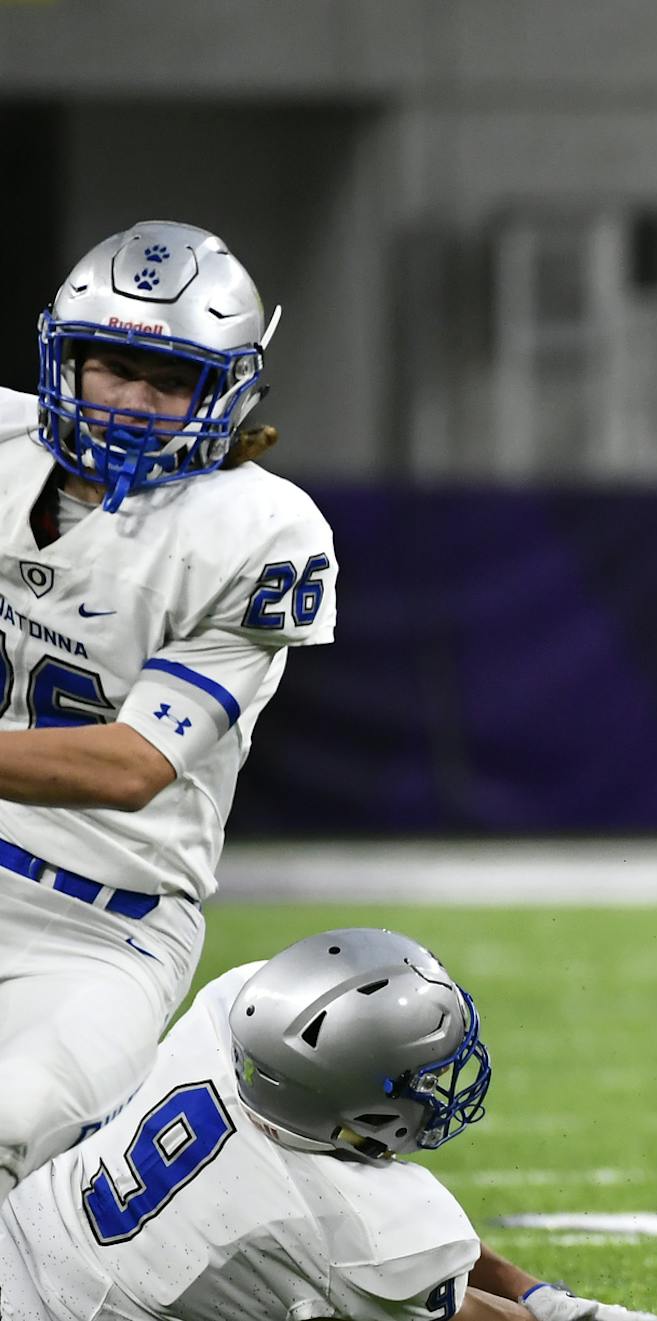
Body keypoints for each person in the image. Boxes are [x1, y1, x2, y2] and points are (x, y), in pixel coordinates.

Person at [0, 926, 657, 1321]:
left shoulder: (236, 1015)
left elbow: (386, 1197)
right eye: (421, 1076)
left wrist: (551, 1297)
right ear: (360, 1112)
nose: (443, 1085)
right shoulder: (355, 1228)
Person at [0, 221, 333, 1198]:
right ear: (65, 359)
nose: (137, 404)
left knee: (12, 1121)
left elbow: (132, 766)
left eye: (170, 381)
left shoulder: (263, 530)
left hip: (96, 927)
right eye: (115, 369)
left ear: (223, 393)